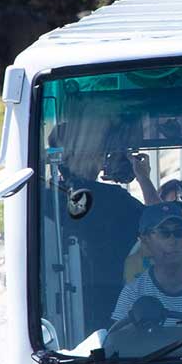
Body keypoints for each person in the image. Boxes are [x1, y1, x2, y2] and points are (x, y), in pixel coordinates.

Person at [45, 120, 146, 334]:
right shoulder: (115, 199)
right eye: (98, 151)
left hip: (52, 307)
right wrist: (143, 177)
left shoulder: (40, 200)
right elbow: (158, 226)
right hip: (111, 300)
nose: (103, 158)